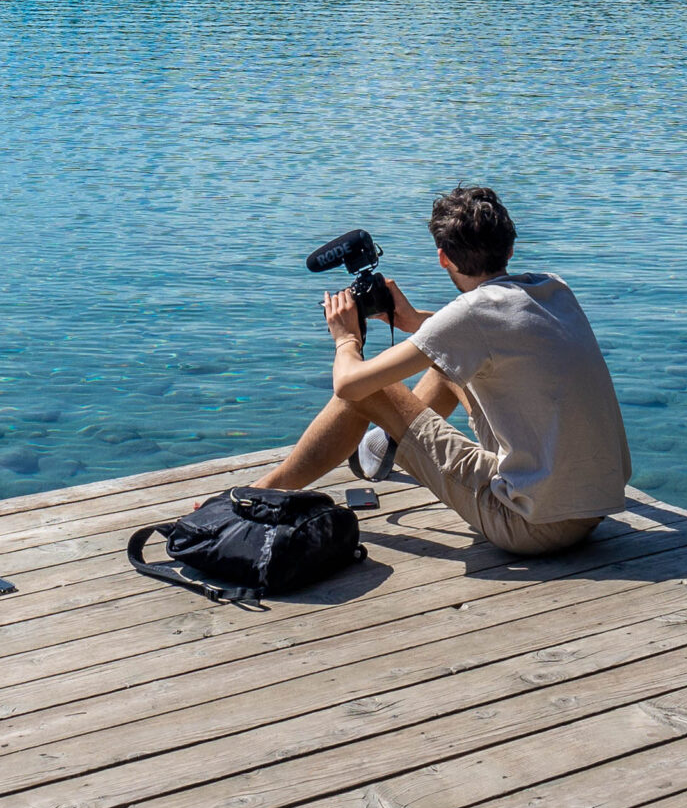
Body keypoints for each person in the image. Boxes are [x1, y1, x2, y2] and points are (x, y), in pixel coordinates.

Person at [254, 185, 632, 557]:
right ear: (510, 248)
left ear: (442, 257)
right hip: (592, 508)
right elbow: (482, 338)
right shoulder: (553, 287)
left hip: (531, 524)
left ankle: (257, 496)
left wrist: (345, 338)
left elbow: (349, 385)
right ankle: (387, 445)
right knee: (446, 364)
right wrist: (417, 321)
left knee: (372, 391)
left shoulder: (469, 315)